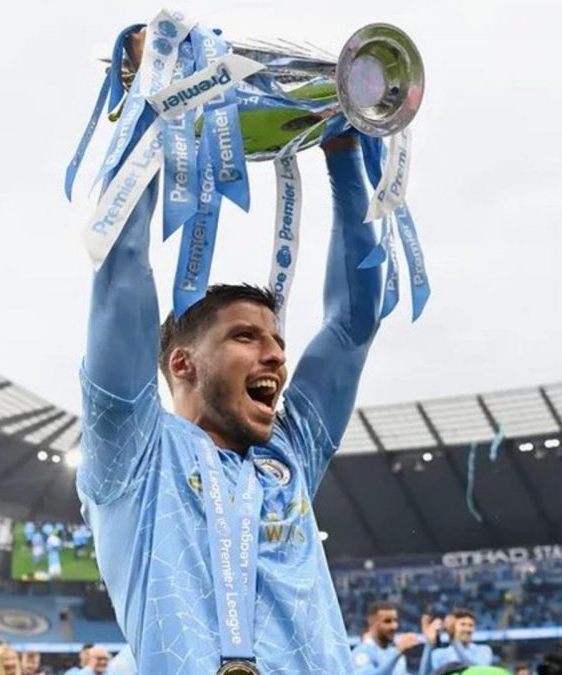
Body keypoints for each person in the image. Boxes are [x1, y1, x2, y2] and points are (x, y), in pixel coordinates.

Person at [75, 79, 384, 673]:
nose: (275, 356)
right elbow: (122, 276)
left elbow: (352, 323)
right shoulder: (135, 456)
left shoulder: (288, 454)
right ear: (182, 363)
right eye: (246, 337)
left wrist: (345, 152)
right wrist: (154, 94)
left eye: (277, 341)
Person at [350, 601, 428, 674]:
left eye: (395, 621)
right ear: (372, 624)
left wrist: (430, 644)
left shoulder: (393, 652)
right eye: (387, 621)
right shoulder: (362, 652)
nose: (394, 626)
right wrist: (398, 651)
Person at [423, 608, 492, 673]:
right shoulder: (440, 654)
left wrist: (453, 639)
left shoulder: (484, 650)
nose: (467, 629)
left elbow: (475, 671)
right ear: (453, 627)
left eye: (471, 625)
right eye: (463, 624)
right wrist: (430, 642)